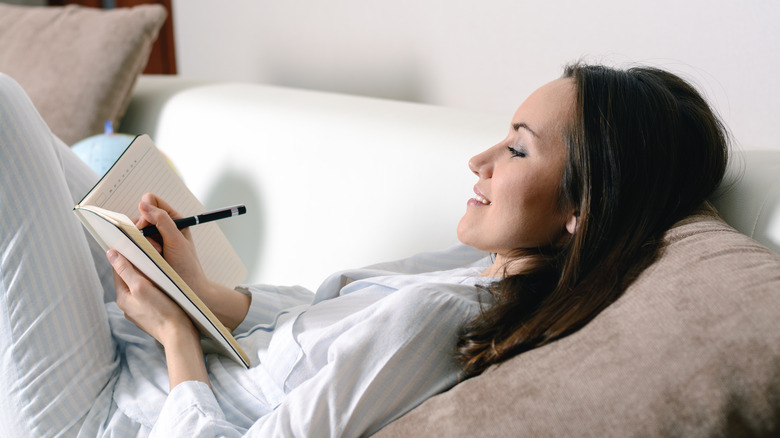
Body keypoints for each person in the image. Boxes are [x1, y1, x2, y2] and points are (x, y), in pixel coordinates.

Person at [0, 62, 728, 437]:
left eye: (514, 148)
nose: (479, 160)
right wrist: (205, 294)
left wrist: (176, 335)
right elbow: (317, 319)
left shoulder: (445, 319)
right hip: (148, 357)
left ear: (583, 208)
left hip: (116, 415)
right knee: (70, 164)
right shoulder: (472, 268)